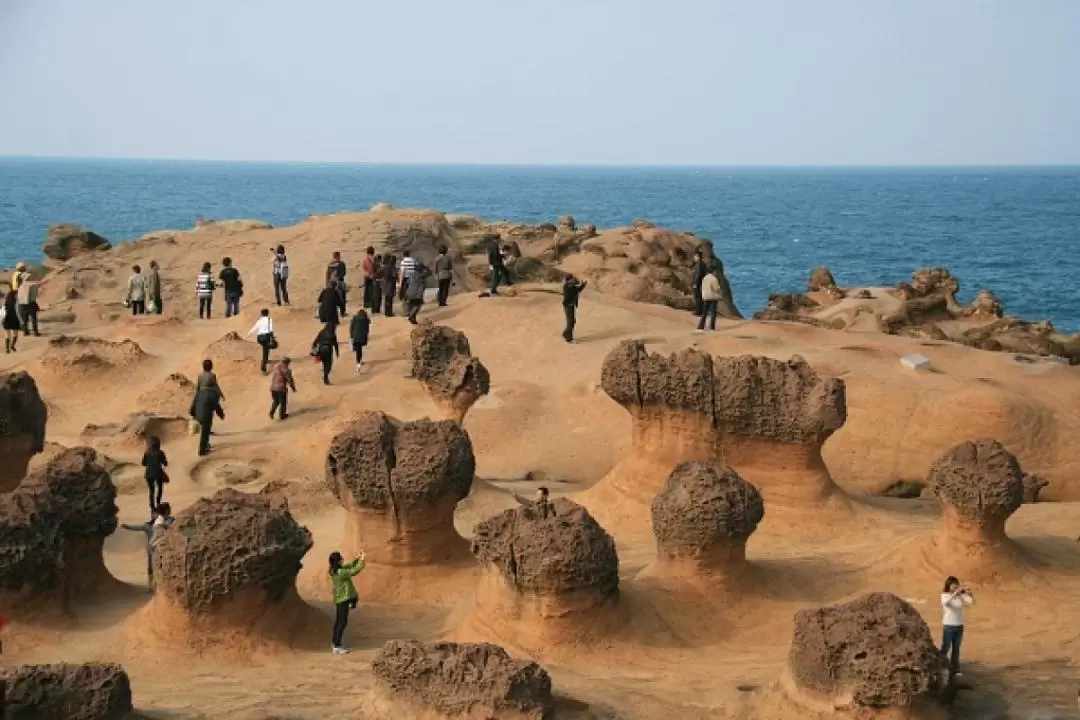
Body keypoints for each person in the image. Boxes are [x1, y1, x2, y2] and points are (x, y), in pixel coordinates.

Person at [121, 502, 174, 591]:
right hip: (154, 549)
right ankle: (152, 586)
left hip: (159, 548)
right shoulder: (153, 525)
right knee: (152, 567)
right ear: (166, 511)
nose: (154, 515)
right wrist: (127, 527)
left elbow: (179, 528)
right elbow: (176, 528)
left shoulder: (168, 520)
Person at [328, 550, 365, 654]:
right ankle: (337, 646)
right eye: (341, 559)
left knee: (339, 622)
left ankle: (335, 643)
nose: (342, 560)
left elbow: (348, 566)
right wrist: (362, 561)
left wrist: (356, 559)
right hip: (343, 599)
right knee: (342, 622)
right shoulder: (341, 573)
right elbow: (354, 571)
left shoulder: (334, 570)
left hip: (340, 599)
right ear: (338, 561)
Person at [940, 577, 975, 677]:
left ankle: (955, 669)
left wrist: (969, 593)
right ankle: (940, 666)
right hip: (948, 626)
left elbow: (972, 602)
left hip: (959, 626)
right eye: (953, 585)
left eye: (956, 585)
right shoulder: (945, 595)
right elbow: (945, 603)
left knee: (956, 649)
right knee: (945, 648)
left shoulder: (960, 596)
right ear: (949, 586)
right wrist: (955, 594)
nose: (955, 587)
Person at [192, 378, 225, 456]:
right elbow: (216, 406)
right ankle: (202, 450)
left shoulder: (200, 392)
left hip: (198, 413)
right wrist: (221, 415)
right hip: (205, 415)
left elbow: (194, 402)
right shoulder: (212, 394)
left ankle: (206, 444)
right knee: (205, 432)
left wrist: (192, 413)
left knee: (205, 430)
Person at [140, 436, 169, 513]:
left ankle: (152, 506)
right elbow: (165, 463)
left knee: (151, 490)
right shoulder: (160, 453)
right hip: (158, 473)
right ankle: (158, 503)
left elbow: (143, 463)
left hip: (148, 474)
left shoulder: (147, 452)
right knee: (159, 488)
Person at [245, 308, 276, 374]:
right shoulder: (269, 319)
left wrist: (248, 335)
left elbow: (254, 328)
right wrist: (273, 338)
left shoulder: (259, 320)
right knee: (266, 350)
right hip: (266, 337)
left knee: (266, 348)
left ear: (261, 314)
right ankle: (263, 369)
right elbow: (270, 330)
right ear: (268, 313)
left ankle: (266, 359)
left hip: (259, 338)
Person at [561, 275, 588, 343]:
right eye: (572, 279)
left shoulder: (571, 285)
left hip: (571, 306)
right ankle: (569, 339)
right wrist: (582, 285)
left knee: (572, 321)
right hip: (568, 306)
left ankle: (565, 334)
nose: (573, 280)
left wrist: (583, 285)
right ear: (569, 280)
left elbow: (578, 289)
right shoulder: (567, 286)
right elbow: (576, 290)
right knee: (570, 322)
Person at [696, 265, 722, 332]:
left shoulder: (704, 278)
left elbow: (702, 287)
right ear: (713, 271)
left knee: (704, 313)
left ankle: (700, 328)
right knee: (713, 313)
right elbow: (716, 288)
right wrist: (720, 291)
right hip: (712, 297)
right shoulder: (714, 279)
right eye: (715, 271)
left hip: (705, 296)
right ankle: (712, 328)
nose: (716, 272)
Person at [16, 270, 40, 335]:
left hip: (23, 304)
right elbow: (38, 285)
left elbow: (19, 296)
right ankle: (35, 331)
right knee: (34, 318)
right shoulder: (31, 284)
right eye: (29, 277)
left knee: (25, 319)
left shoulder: (20, 286)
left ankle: (25, 331)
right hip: (31, 304)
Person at [326, 251, 348, 316]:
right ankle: (342, 312)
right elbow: (343, 274)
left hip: (332, 283)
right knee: (342, 298)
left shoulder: (330, 264)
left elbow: (327, 275)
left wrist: (327, 284)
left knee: (332, 299)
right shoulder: (341, 264)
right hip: (340, 282)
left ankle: (333, 312)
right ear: (338, 256)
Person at [690, 250, 708, 317]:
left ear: (698, 256)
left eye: (695, 256)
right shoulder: (703, 263)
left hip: (697, 283)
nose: (694, 258)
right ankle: (701, 311)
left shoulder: (698, 264)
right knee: (700, 297)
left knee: (697, 297)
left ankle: (698, 311)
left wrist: (695, 283)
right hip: (702, 282)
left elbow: (698, 274)